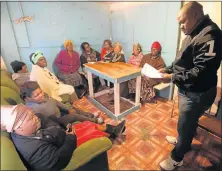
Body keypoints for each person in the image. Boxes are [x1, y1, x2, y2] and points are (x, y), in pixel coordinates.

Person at [158, 2, 222, 170]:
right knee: (186, 122)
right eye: (179, 23)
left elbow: (201, 72)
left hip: (197, 93)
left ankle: (177, 157)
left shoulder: (210, 35)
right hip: (187, 91)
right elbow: (181, 60)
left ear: (195, 14)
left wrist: (171, 77)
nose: (181, 26)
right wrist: (168, 68)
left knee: (186, 126)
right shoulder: (191, 32)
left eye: (183, 21)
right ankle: (183, 139)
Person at [1, 103, 125, 170]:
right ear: (17, 127)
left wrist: (60, 129)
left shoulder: (24, 133)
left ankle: (113, 130)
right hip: (65, 148)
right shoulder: (33, 149)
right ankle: (112, 133)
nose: (36, 118)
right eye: (31, 118)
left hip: (60, 136)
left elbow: (45, 122)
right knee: (92, 132)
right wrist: (70, 137)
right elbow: (58, 162)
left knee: (87, 124)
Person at [20, 81, 104, 124]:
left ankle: (91, 115)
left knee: (72, 108)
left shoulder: (44, 95)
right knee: (74, 116)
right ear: (28, 98)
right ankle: (95, 120)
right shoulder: (32, 109)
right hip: (57, 121)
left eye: (41, 92)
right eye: (37, 95)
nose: (41, 95)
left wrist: (67, 109)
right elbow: (47, 122)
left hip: (59, 111)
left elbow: (56, 102)